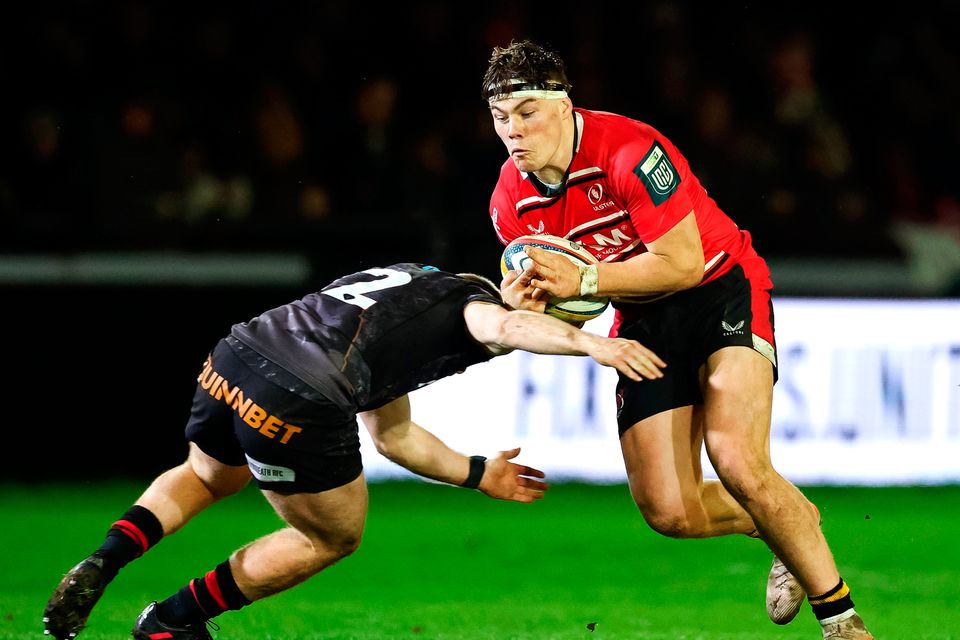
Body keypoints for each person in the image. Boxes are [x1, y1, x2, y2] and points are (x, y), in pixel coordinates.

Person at [480, 39, 873, 640]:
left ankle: (843, 623)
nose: (514, 130)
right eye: (501, 116)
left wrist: (585, 276)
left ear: (564, 106)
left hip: (720, 288)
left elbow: (683, 263)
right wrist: (533, 310)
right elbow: (575, 316)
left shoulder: (632, 149)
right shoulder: (511, 201)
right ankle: (788, 519)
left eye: (528, 111)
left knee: (737, 458)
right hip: (644, 319)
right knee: (669, 511)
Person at [43, 262, 666, 640]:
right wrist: (591, 345)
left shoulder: (417, 280)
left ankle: (105, 559)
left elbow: (392, 434)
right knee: (331, 537)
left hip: (239, 351)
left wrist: (479, 474)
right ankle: (170, 621)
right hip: (302, 390)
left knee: (206, 476)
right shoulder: (475, 312)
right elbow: (505, 326)